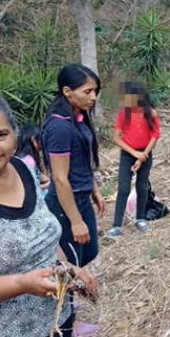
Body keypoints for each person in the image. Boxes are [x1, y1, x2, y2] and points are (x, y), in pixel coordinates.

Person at [0, 93, 97, 337]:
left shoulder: (23, 169)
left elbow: (42, 233)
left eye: (0, 135)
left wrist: (66, 267)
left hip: (52, 326)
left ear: (16, 136)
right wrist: (21, 284)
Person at [41, 64, 105, 269]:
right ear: (67, 91)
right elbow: (60, 179)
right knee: (69, 262)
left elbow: (83, 160)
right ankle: (65, 300)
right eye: (87, 91)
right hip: (65, 203)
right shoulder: (59, 127)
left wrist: (94, 189)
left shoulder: (79, 118)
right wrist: (75, 221)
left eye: (95, 91)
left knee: (89, 251)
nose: (93, 97)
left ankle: (69, 294)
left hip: (82, 196)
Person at [108, 81, 161, 237]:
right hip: (127, 154)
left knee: (142, 186)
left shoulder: (151, 113)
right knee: (123, 188)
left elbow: (154, 136)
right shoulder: (124, 113)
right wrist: (134, 153)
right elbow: (116, 138)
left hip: (145, 154)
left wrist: (143, 155)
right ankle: (116, 225)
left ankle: (140, 219)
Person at [16, 122, 50, 195]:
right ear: (34, 140)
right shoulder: (29, 161)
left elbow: (41, 177)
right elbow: (31, 188)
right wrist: (49, 185)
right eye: (40, 139)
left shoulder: (22, 158)